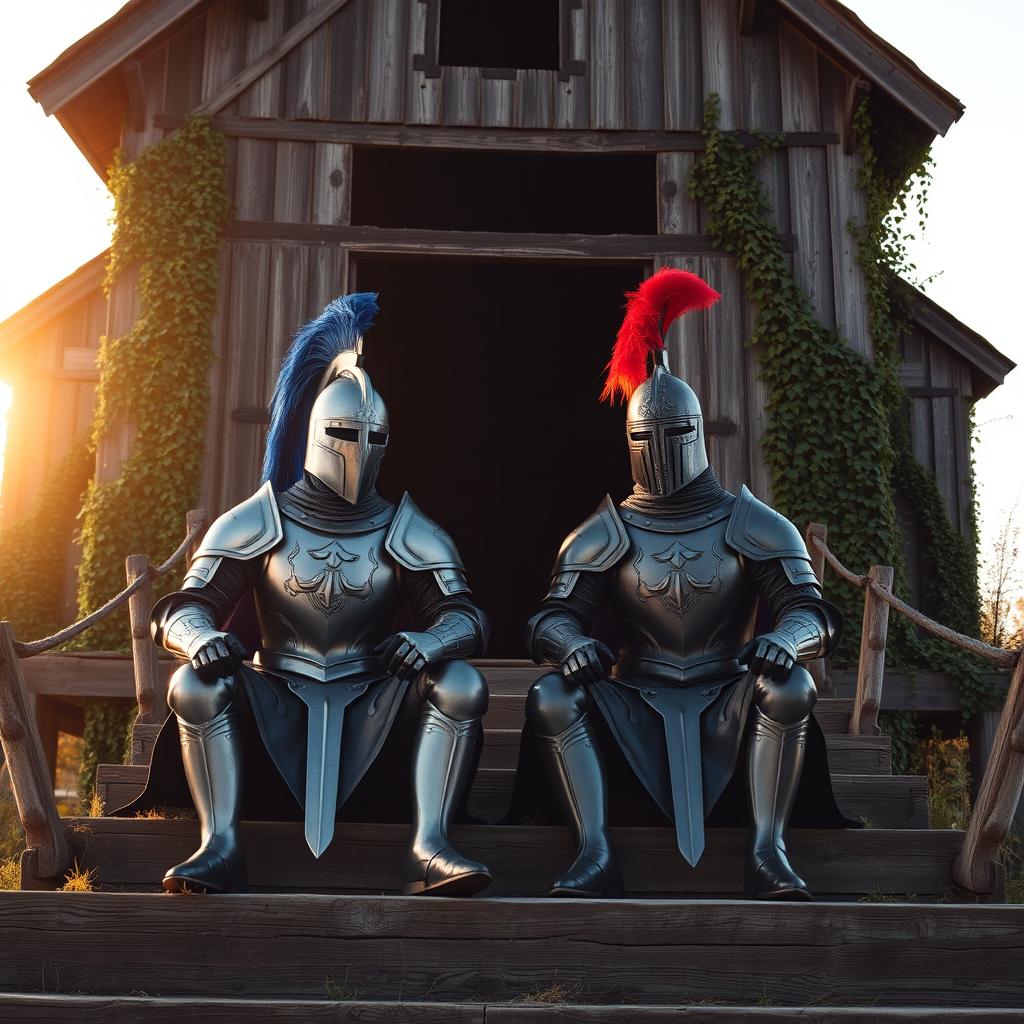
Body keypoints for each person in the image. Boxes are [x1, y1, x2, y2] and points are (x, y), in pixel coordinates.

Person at [126, 293, 492, 897]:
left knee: (462, 685)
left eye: (376, 436)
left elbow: (467, 618)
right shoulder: (257, 520)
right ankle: (220, 844)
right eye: (348, 432)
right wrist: (204, 640)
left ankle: (430, 845)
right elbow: (183, 608)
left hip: (375, 696)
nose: (361, 447)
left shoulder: (409, 527)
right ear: (320, 433)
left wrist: (431, 639)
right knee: (192, 682)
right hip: (276, 694)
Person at [516, 268, 850, 901]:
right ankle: (595, 851)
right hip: (635, 695)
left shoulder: (751, 523)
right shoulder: (602, 533)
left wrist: (789, 638)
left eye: (674, 434)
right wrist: (570, 646)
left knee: (791, 686)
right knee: (552, 698)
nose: (661, 447)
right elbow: (550, 618)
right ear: (628, 441)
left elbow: (811, 609)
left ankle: (767, 849)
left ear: (698, 434)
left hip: (729, 687)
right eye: (646, 436)